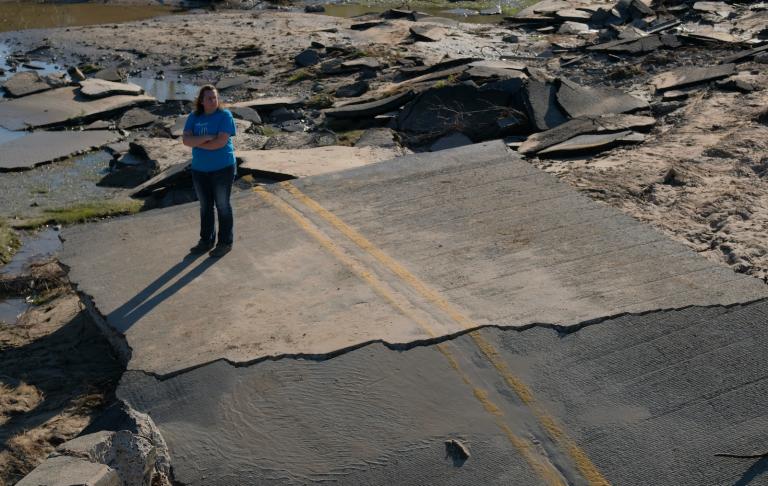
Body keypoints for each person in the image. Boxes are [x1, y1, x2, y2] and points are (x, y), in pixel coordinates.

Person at [182, 85, 237, 258]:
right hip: (199, 169)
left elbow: (220, 143)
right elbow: (186, 140)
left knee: (222, 205)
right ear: (201, 101)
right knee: (205, 206)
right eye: (209, 98)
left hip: (223, 168)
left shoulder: (225, 115)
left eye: (215, 97)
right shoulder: (194, 116)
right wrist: (206, 137)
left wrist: (197, 142)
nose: (213, 101)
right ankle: (206, 241)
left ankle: (225, 243)